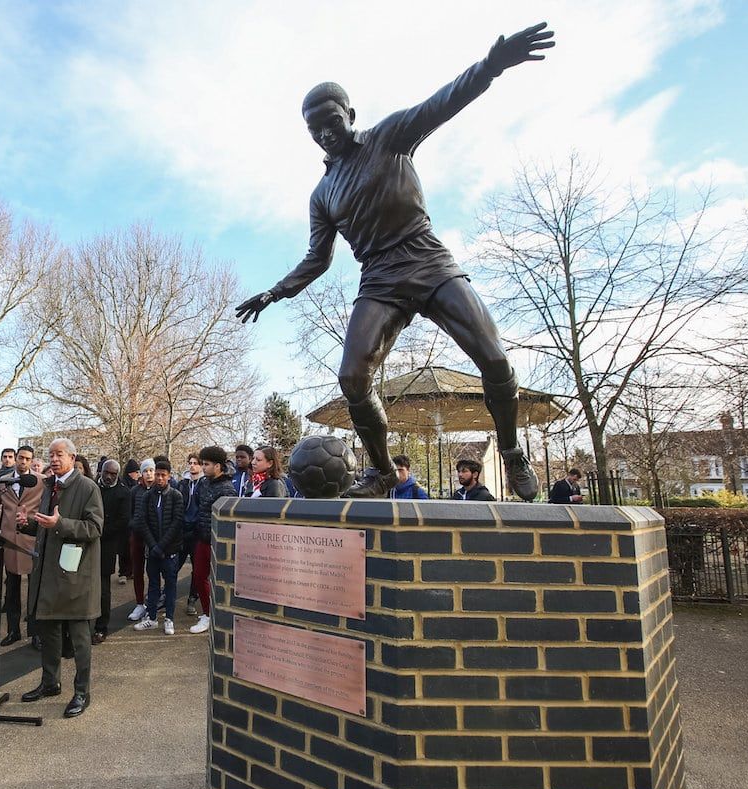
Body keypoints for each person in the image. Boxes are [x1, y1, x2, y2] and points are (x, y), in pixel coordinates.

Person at [235, 23, 554, 502]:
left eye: (331, 121)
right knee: (352, 377)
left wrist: (490, 66)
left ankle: (510, 451)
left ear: (350, 114)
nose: (324, 133)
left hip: (428, 261)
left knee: (493, 358)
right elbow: (316, 259)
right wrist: (276, 291)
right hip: (380, 280)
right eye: (313, 129)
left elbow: (443, 102)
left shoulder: (390, 136)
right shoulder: (322, 194)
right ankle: (383, 472)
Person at [19, 438, 104, 719]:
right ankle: (50, 682)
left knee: (80, 639)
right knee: (49, 633)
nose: (53, 459)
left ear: (72, 456)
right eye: (50, 455)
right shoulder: (49, 486)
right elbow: (47, 526)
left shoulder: (88, 488)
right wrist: (29, 523)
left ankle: (82, 692)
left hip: (75, 576)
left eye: (59, 455)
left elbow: (94, 528)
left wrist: (60, 524)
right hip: (48, 573)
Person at [0, 445, 42, 647]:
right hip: (10, 541)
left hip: (31, 540)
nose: (23, 462)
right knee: (11, 589)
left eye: (28, 459)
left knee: (34, 589)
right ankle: (13, 631)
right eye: (21, 458)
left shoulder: (39, 481)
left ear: (32, 460)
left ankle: (35, 632)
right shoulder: (3, 482)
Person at [133, 459, 186, 635]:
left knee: (170, 585)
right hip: (153, 550)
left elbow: (177, 523)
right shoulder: (148, 496)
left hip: (170, 551)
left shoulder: (176, 495)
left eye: (163, 475)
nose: (159, 478)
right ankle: (152, 617)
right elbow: (142, 521)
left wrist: (162, 546)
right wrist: (153, 545)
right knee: (153, 585)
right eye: (157, 474)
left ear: (169, 476)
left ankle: (169, 618)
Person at [190, 447, 238, 634]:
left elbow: (227, 520)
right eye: (202, 463)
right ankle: (207, 613)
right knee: (199, 575)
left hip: (218, 541)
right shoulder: (204, 483)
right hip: (202, 537)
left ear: (218, 466)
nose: (203, 467)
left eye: (206, 464)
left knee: (218, 579)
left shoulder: (227, 489)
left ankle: (213, 615)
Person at [95, 459, 130, 644]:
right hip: (88, 542)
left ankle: (101, 627)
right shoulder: (92, 487)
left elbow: (123, 520)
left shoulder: (123, 493)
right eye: (106, 472)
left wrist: (99, 532)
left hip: (107, 544)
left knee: (103, 589)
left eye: (113, 474)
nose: (108, 477)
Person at [125, 459, 156, 622]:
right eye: (146, 471)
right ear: (141, 474)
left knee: (153, 572)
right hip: (137, 536)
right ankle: (139, 603)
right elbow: (128, 513)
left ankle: (152, 604)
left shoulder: (159, 490)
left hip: (154, 538)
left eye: (152, 470)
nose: (149, 474)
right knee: (137, 570)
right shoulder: (135, 491)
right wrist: (134, 524)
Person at [179, 453, 204, 617]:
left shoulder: (204, 484)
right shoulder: (183, 484)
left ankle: (192, 599)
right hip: (183, 530)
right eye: (190, 463)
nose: (192, 465)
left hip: (197, 532)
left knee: (197, 569)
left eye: (196, 463)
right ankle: (165, 595)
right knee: (174, 565)